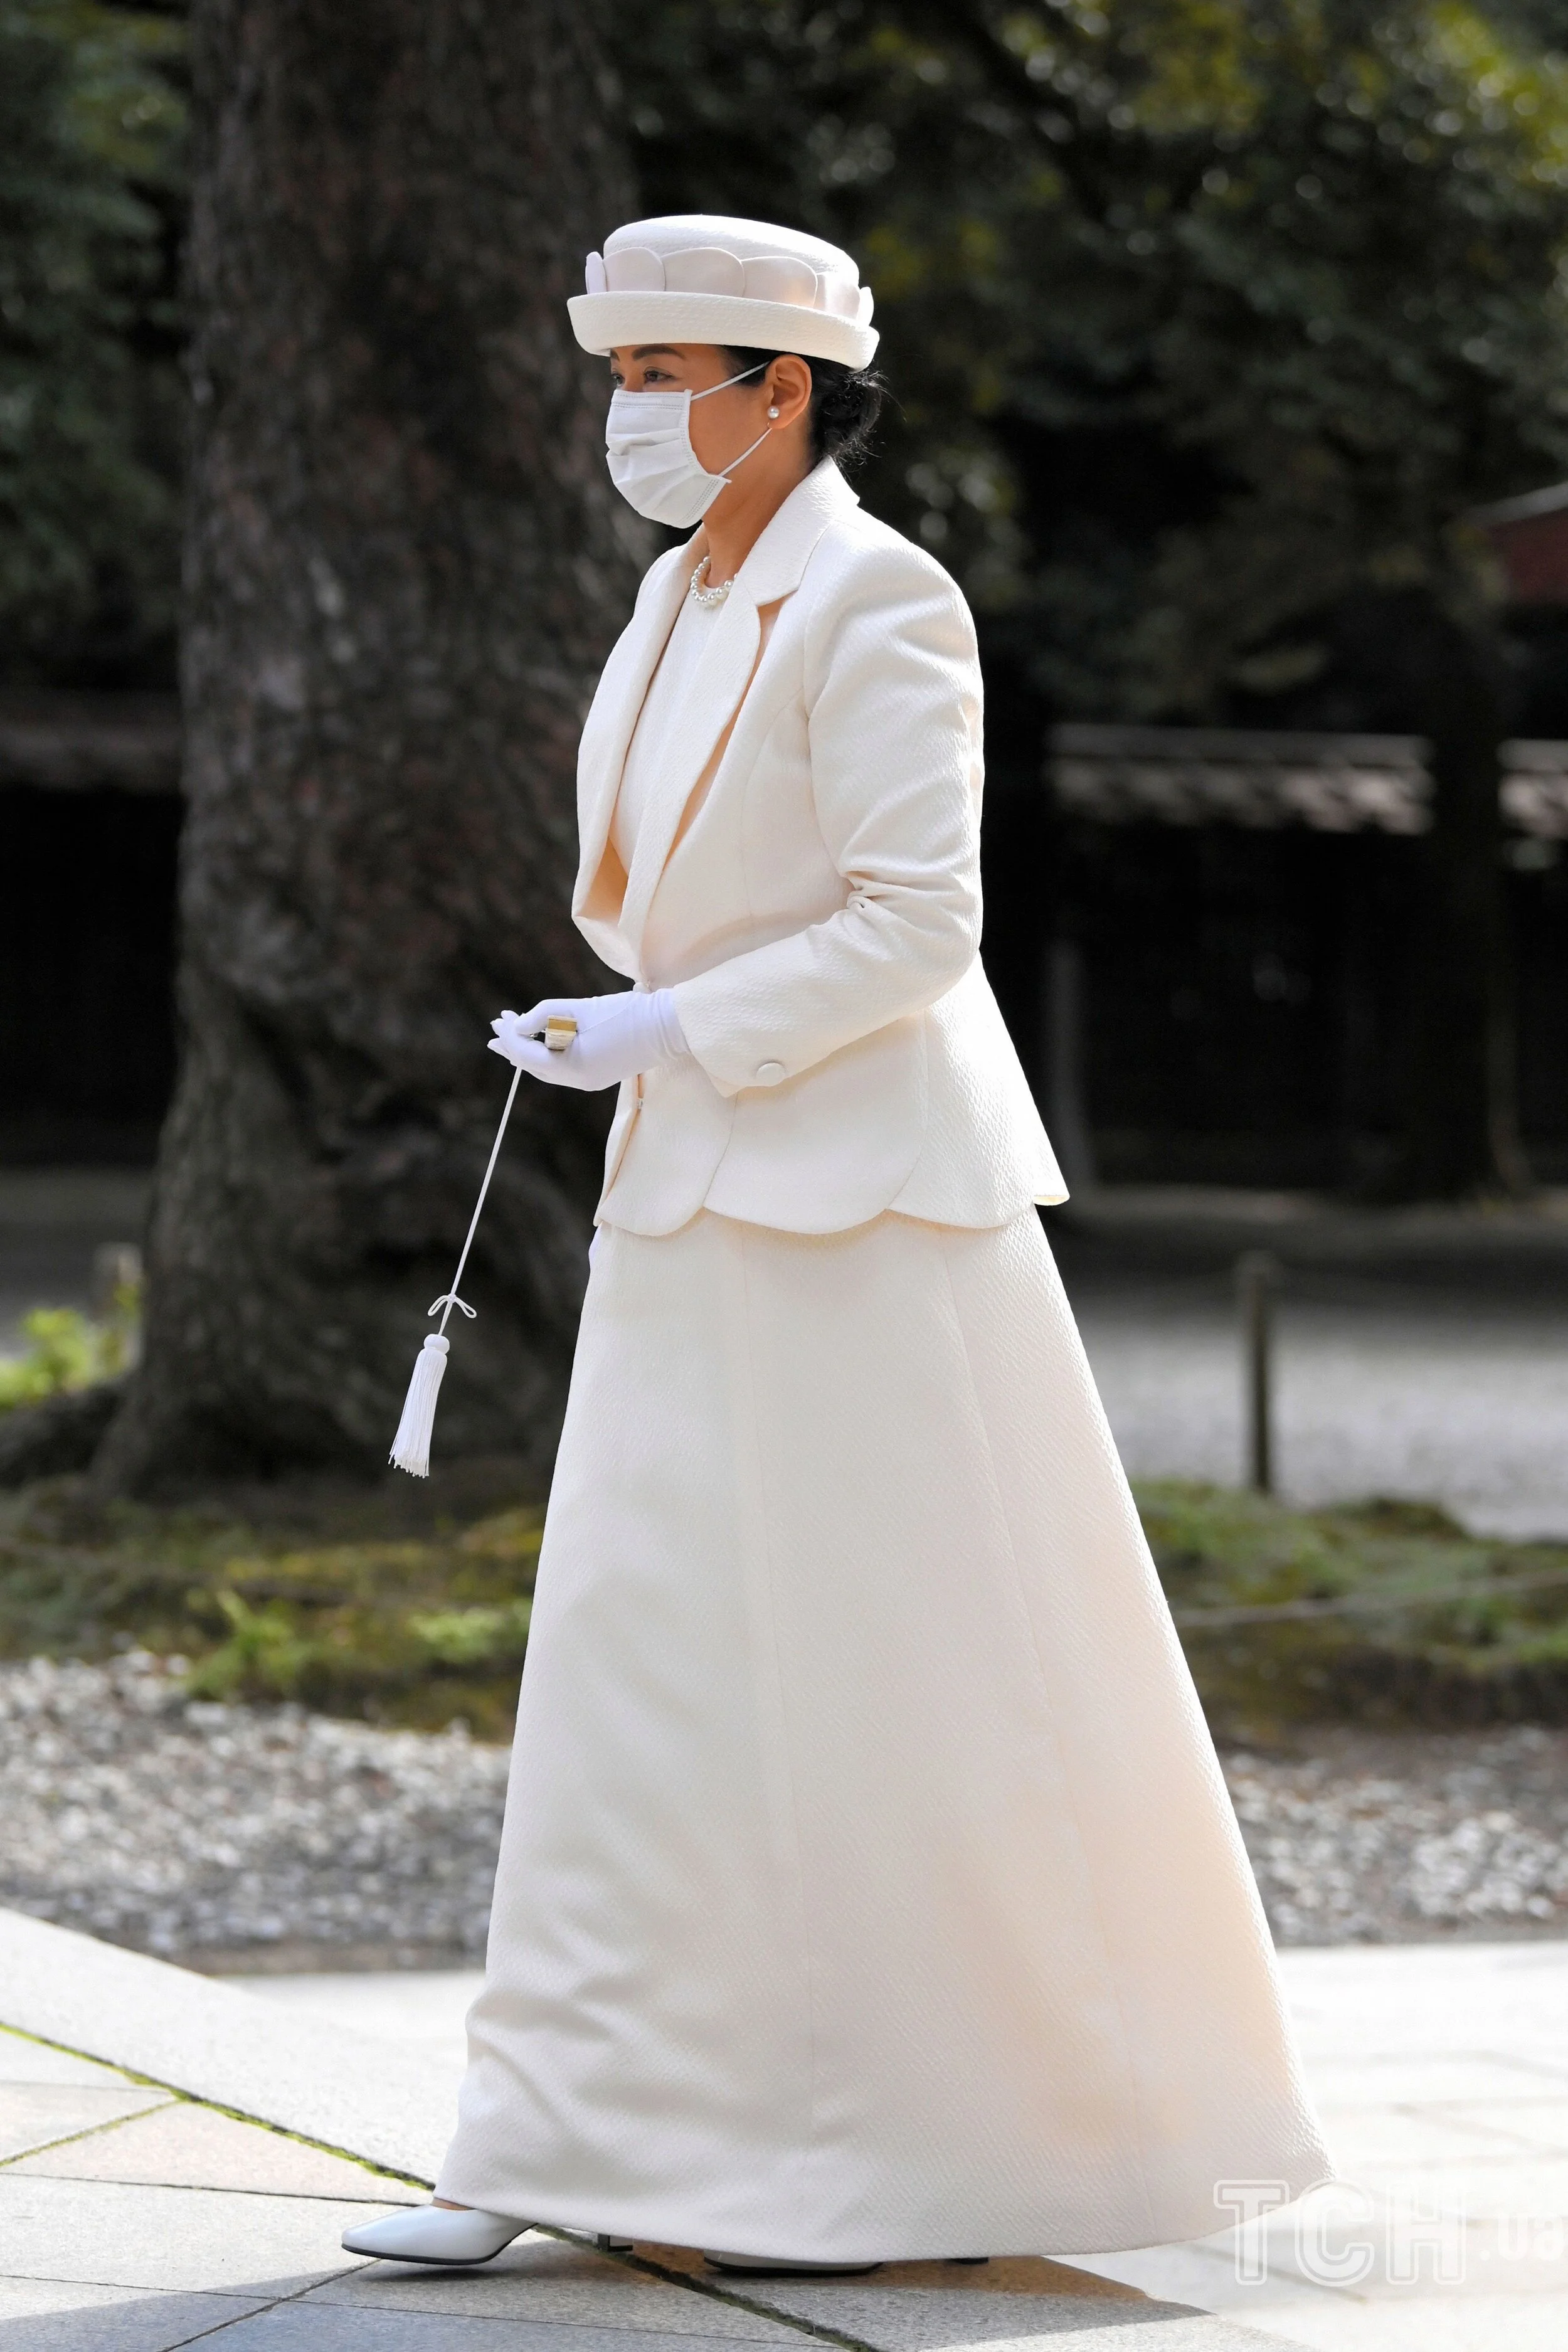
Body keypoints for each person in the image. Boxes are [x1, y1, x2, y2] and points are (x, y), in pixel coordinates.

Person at [345, 214, 1329, 2275]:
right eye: (613, 376)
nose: (625, 413)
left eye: (655, 375)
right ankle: (553, 2138)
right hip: (693, 1184)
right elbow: (660, 888)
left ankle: (913, 2149)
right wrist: (621, 1015)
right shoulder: (670, 595)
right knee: (637, 1660)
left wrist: (671, 1025)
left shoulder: (881, 595)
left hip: (865, 1200)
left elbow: (916, 922)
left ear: (774, 387)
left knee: (886, 1675)